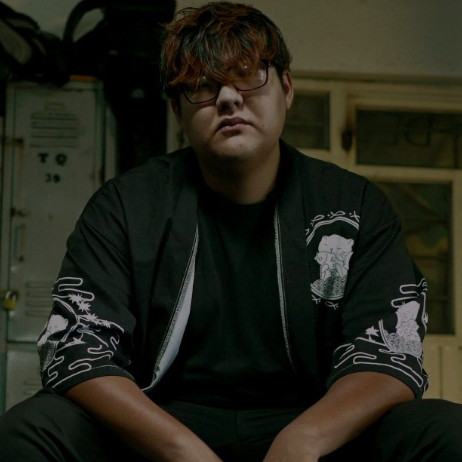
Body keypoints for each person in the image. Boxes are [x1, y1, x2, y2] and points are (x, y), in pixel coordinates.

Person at [1, 2, 462, 461]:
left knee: (446, 432)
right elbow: (76, 346)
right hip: (159, 426)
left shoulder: (353, 206)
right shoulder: (126, 206)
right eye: (202, 86)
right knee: (32, 430)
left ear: (286, 89)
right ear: (177, 111)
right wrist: (184, 451)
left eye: (247, 76)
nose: (227, 98)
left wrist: (304, 442)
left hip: (313, 424)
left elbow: (389, 353)